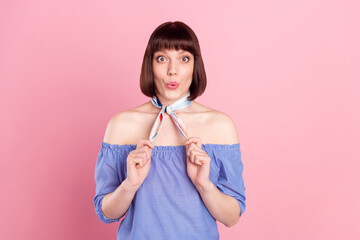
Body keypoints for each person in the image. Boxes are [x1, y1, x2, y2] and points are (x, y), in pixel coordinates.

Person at [94, 21, 246, 240]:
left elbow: (232, 217)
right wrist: (130, 184)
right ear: (150, 64)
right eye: (162, 58)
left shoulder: (220, 126)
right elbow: (106, 212)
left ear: (195, 65)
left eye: (184, 58)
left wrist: (204, 185)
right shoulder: (121, 125)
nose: (172, 70)